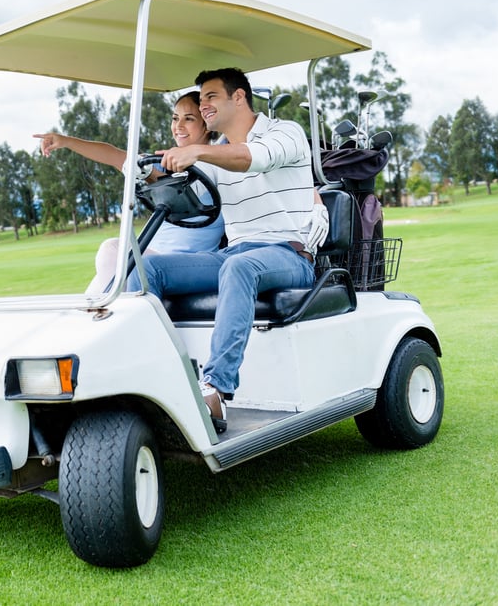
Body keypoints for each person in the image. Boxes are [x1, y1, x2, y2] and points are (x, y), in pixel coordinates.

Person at [127, 67, 329, 432]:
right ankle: (153, 376)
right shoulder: (215, 154)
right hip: (235, 253)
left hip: (290, 253)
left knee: (239, 269)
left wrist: (197, 152)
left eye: (210, 97)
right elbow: (183, 184)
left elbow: (255, 157)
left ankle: (216, 390)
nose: (203, 105)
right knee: (145, 269)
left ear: (238, 97)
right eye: (200, 98)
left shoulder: (285, 132)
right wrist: (147, 171)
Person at [34, 92, 225, 294]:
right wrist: (66, 141)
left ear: (206, 123)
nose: (178, 126)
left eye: (189, 119)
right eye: (175, 118)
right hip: (156, 253)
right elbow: (115, 156)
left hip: (185, 261)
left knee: (111, 252)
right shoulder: (167, 163)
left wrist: (151, 172)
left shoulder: (218, 165)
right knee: (107, 270)